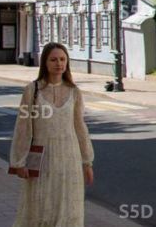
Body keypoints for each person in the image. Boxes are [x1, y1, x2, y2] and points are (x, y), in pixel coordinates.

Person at [9, 42, 95, 226]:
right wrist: (19, 161)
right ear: (45, 63)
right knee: (40, 208)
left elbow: (80, 127)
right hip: (41, 156)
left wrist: (87, 161)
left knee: (68, 208)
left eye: (63, 59)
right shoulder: (32, 90)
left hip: (69, 157)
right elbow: (23, 127)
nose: (59, 64)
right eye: (54, 59)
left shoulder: (74, 92)